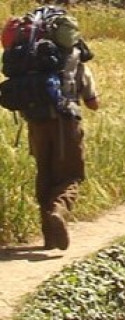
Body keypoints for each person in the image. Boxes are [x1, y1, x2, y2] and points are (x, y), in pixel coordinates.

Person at [26, 47, 99, 250]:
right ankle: (59, 211)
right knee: (71, 175)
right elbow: (92, 103)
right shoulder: (76, 64)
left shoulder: (32, 63)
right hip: (66, 125)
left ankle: (49, 238)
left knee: (45, 175)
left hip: (36, 124)